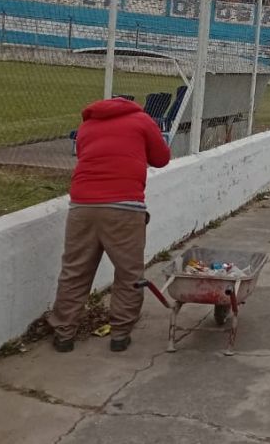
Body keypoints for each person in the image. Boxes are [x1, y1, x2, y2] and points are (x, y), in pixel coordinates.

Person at [49, 97, 171, 353]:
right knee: (128, 273)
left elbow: (85, 155)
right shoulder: (142, 120)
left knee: (75, 270)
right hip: (125, 208)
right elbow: (161, 158)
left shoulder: (87, 126)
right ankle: (119, 334)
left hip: (82, 206)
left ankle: (63, 334)